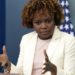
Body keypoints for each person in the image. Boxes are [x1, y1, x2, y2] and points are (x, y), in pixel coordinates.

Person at [0, 0, 75, 75]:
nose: (44, 26)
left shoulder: (68, 41)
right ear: (31, 23)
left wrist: (55, 70)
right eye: (38, 22)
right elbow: (21, 72)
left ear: (55, 19)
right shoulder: (26, 39)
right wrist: (8, 65)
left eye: (48, 21)